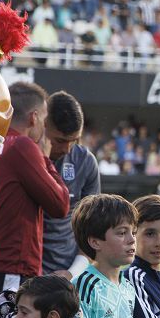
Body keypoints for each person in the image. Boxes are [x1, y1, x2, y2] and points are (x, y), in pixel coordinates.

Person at [0, 82, 70, 299]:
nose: (45, 128)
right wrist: (44, 155)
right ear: (34, 118)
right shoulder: (24, 146)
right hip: (11, 271)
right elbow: (60, 204)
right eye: (44, 120)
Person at [41, 91, 100, 277]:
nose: (66, 149)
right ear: (42, 125)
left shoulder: (85, 162)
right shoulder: (22, 157)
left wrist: (71, 274)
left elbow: (93, 231)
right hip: (23, 271)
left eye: (73, 141)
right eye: (60, 140)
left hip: (67, 276)